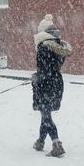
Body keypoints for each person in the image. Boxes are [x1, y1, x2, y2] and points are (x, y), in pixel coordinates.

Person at [31, 14, 73, 157]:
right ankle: (40, 142)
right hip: (56, 82)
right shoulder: (58, 46)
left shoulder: (43, 47)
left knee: (46, 113)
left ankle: (56, 144)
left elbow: (44, 68)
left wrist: (37, 76)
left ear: (42, 33)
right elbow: (53, 66)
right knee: (45, 113)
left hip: (45, 84)